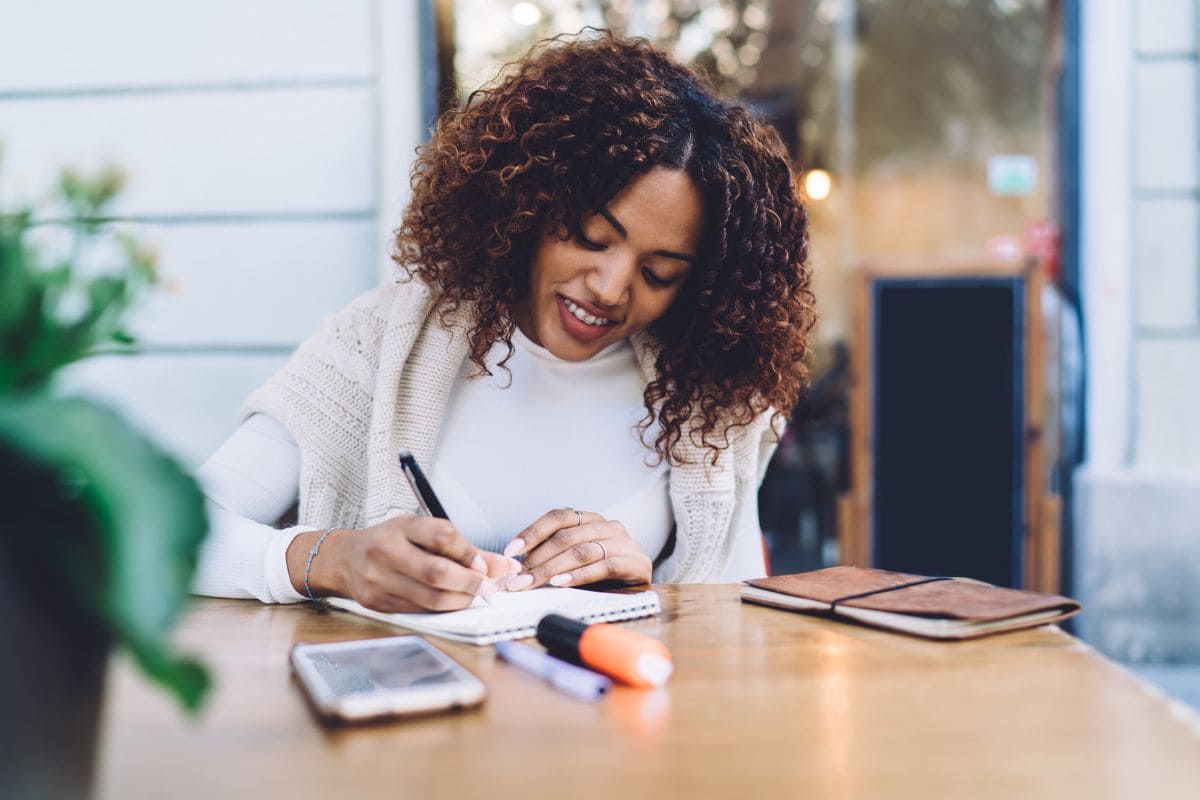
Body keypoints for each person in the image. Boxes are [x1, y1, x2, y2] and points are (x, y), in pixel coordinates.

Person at [192, 31, 814, 613]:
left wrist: (646, 599)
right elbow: (170, 534)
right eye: (591, 237)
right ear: (532, 207)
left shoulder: (709, 406)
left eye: (660, 273)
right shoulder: (381, 343)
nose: (610, 287)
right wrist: (333, 560)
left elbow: (733, 623)